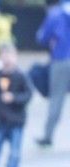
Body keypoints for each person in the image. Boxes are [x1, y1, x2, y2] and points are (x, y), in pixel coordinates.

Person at [35, 0, 70, 147]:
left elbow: (42, 37)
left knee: (57, 98)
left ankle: (48, 136)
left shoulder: (56, 13)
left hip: (62, 59)